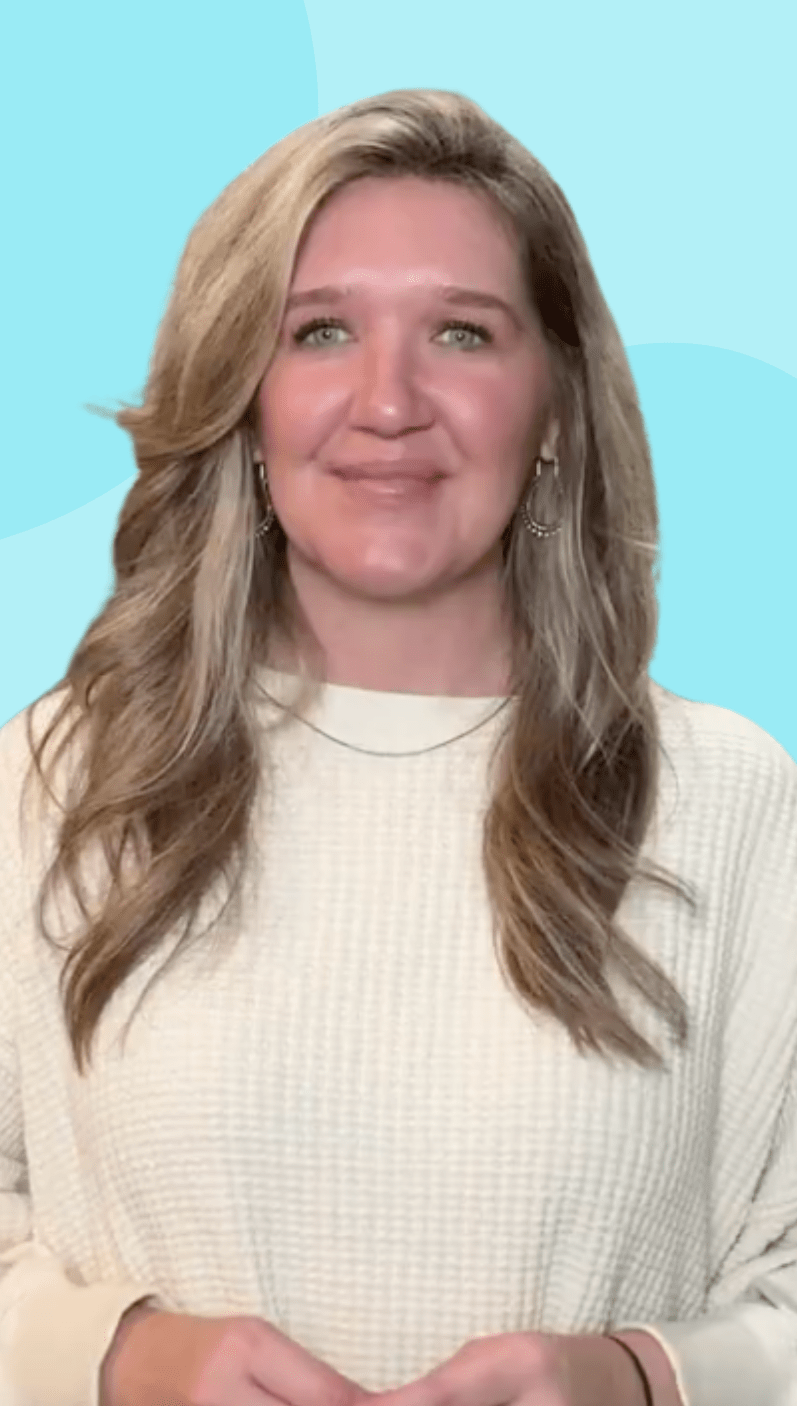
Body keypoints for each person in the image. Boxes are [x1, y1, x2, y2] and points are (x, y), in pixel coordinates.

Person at [0, 89, 795, 1406]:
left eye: (461, 334)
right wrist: (118, 1356)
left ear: (554, 405)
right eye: (320, 331)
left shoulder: (736, 803)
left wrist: (641, 1376)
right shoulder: (57, 782)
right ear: (243, 400)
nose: (389, 403)